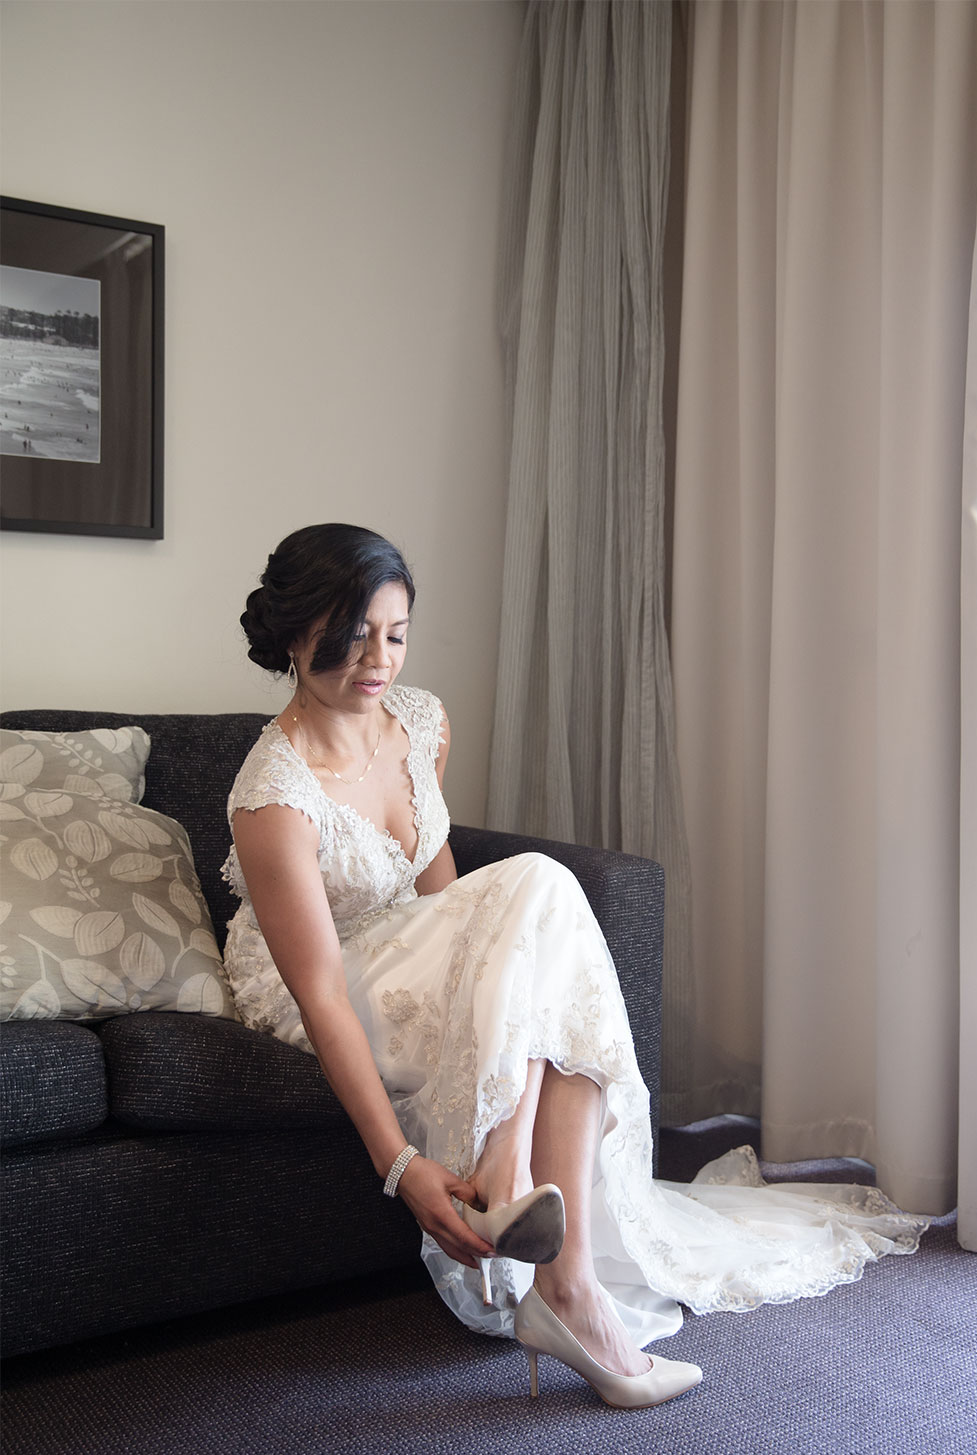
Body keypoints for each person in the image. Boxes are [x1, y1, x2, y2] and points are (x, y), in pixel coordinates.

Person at [224, 524, 927, 1408]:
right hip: (320, 977)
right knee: (541, 885)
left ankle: (561, 1270)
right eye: (352, 636)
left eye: (396, 635)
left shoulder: (419, 721)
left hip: (410, 940)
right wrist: (398, 1166)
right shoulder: (273, 794)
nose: (379, 661)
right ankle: (533, 1225)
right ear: (295, 635)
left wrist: (497, 974)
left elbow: (444, 895)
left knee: (540, 937)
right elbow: (322, 993)